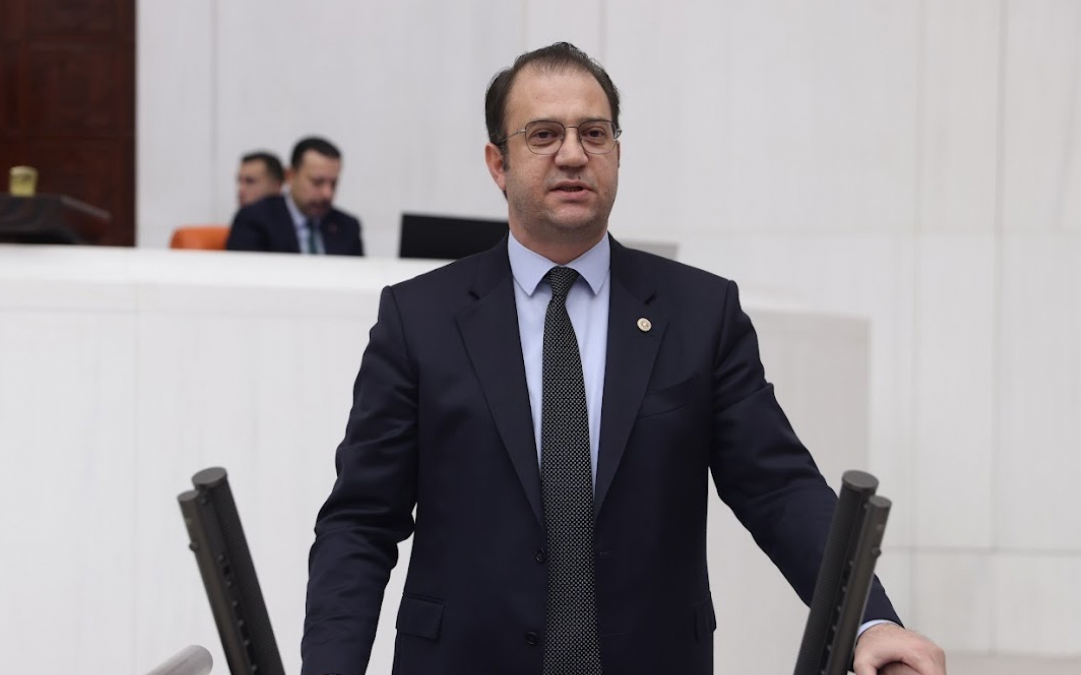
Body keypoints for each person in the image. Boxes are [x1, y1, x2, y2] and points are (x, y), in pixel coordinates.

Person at [302, 43, 946, 675]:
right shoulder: (419, 318)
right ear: (498, 163)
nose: (573, 154)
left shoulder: (700, 313)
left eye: (595, 133)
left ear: (617, 151)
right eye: (544, 135)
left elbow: (778, 487)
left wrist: (871, 622)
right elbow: (362, 521)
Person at [226, 137, 363, 255]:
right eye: (317, 182)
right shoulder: (255, 220)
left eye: (333, 184)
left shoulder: (348, 227)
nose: (327, 193)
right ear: (290, 176)